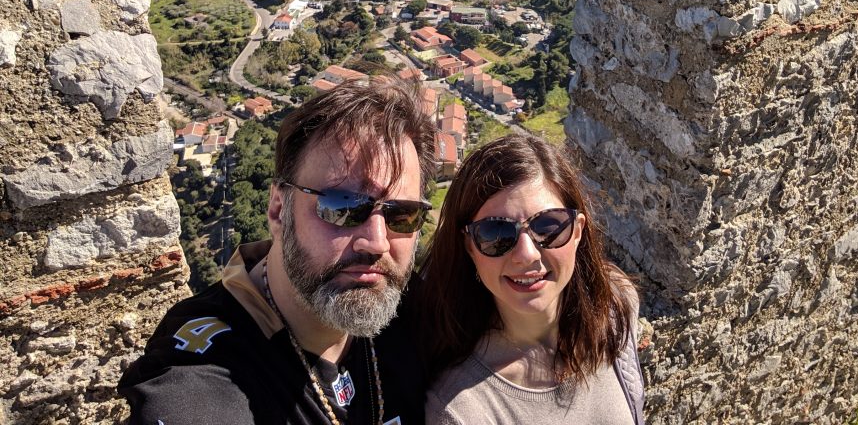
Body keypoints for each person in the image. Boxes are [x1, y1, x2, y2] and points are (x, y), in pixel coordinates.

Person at [119, 76, 437, 425]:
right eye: (342, 207)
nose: (376, 242)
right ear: (278, 209)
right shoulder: (203, 379)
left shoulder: (419, 314)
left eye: (402, 214)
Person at [422, 133, 645, 425]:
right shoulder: (461, 411)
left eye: (548, 226)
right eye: (496, 234)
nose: (526, 255)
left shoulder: (616, 308)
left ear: (577, 231)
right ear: (469, 247)